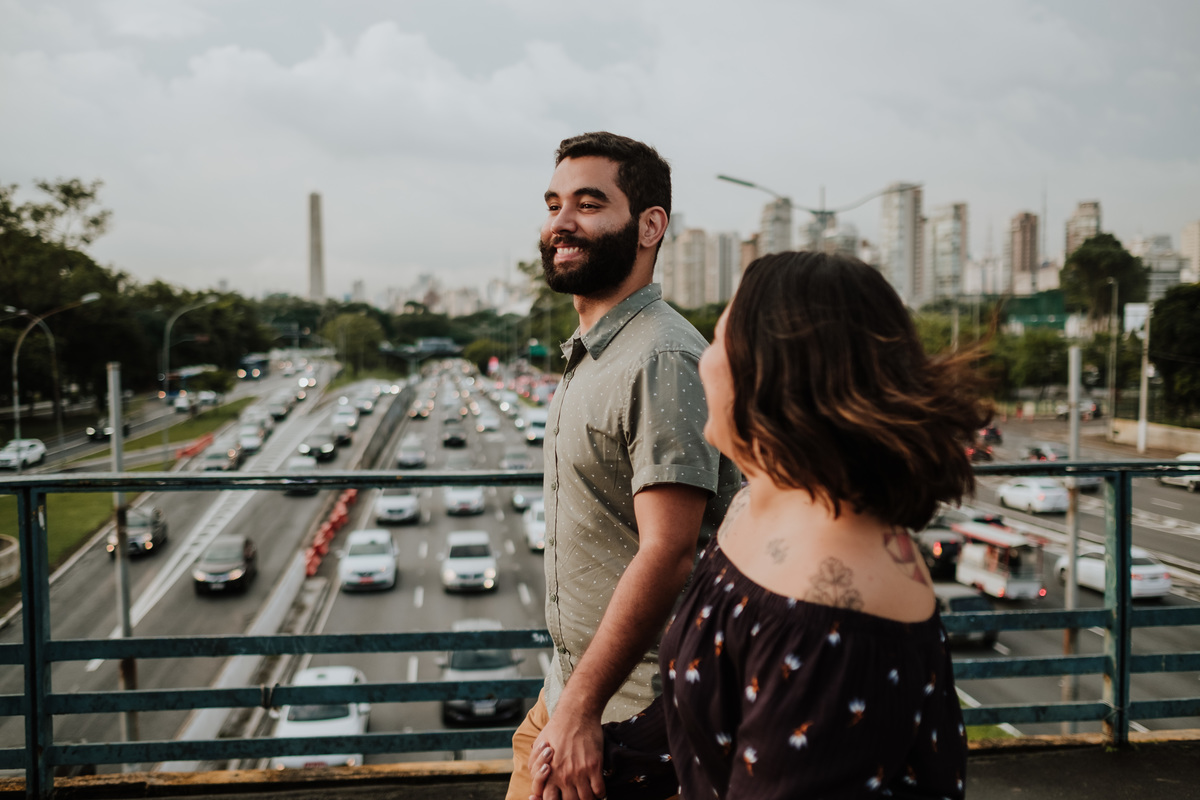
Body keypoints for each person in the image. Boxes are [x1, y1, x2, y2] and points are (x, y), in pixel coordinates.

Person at [531, 250, 989, 799]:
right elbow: (697, 714)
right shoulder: (756, 507)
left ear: (778, 374)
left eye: (720, 342)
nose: (701, 363)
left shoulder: (831, 607)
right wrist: (610, 754)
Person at [506, 131, 742, 800]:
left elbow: (669, 553)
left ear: (649, 226)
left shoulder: (657, 359)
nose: (562, 223)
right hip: (574, 693)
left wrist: (581, 709)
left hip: (627, 714)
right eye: (553, 204)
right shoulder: (596, 350)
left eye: (588, 203)